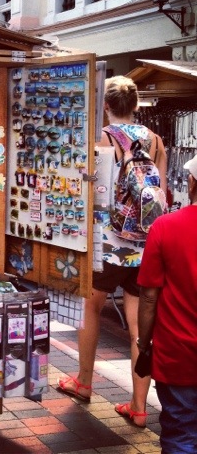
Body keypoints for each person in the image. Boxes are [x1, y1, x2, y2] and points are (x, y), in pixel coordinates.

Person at [57, 76, 167, 428]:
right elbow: (160, 196)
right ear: (135, 105)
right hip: (146, 247)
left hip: (108, 245)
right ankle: (139, 406)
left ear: (105, 105)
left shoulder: (100, 140)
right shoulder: (156, 141)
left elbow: (91, 193)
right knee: (139, 324)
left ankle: (84, 382)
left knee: (90, 308)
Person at [137, 153, 197, 453]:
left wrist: (144, 343)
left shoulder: (165, 226)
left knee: (180, 435)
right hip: (178, 355)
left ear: (192, 181)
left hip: (177, 353)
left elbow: (149, 296)